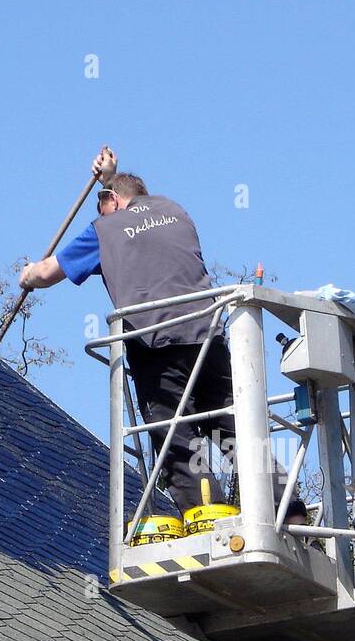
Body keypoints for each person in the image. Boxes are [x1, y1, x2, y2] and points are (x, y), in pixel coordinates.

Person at [20, 147, 300, 522]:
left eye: (102, 206)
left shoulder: (104, 230)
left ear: (112, 202)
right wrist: (111, 179)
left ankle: (207, 521)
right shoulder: (175, 211)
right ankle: (292, 514)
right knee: (235, 430)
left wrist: (27, 275)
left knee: (174, 438)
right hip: (209, 336)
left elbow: (48, 272)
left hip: (156, 341)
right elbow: (141, 216)